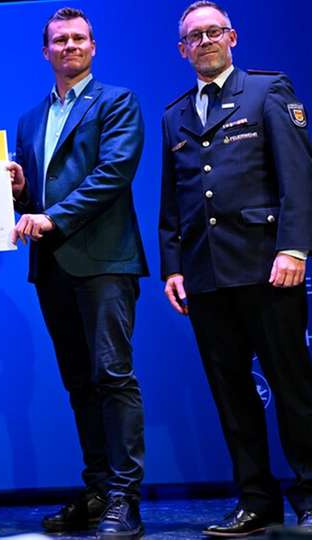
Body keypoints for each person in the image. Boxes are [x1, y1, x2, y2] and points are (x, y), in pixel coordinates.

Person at [159, 1, 312, 535]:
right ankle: (256, 499)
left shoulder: (267, 91)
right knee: (232, 394)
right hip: (205, 276)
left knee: (293, 388)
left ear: (233, 36)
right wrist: (173, 266)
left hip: (268, 267)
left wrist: (294, 249)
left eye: (213, 31)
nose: (204, 41)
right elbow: (172, 202)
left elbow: (298, 176)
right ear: (182, 49)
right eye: (194, 36)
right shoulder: (174, 114)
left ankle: (311, 493)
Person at [8, 7, 147, 538]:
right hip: (53, 265)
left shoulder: (117, 101)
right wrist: (20, 189)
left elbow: (113, 172)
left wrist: (51, 215)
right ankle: (97, 488)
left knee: (113, 376)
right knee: (80, 384)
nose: (70, 46)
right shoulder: (30, 118)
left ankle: (124, 499)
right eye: (59, 40)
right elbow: (32, 194)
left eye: (79, 38)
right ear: (45, 51)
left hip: (105, 260)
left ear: (93, 46)